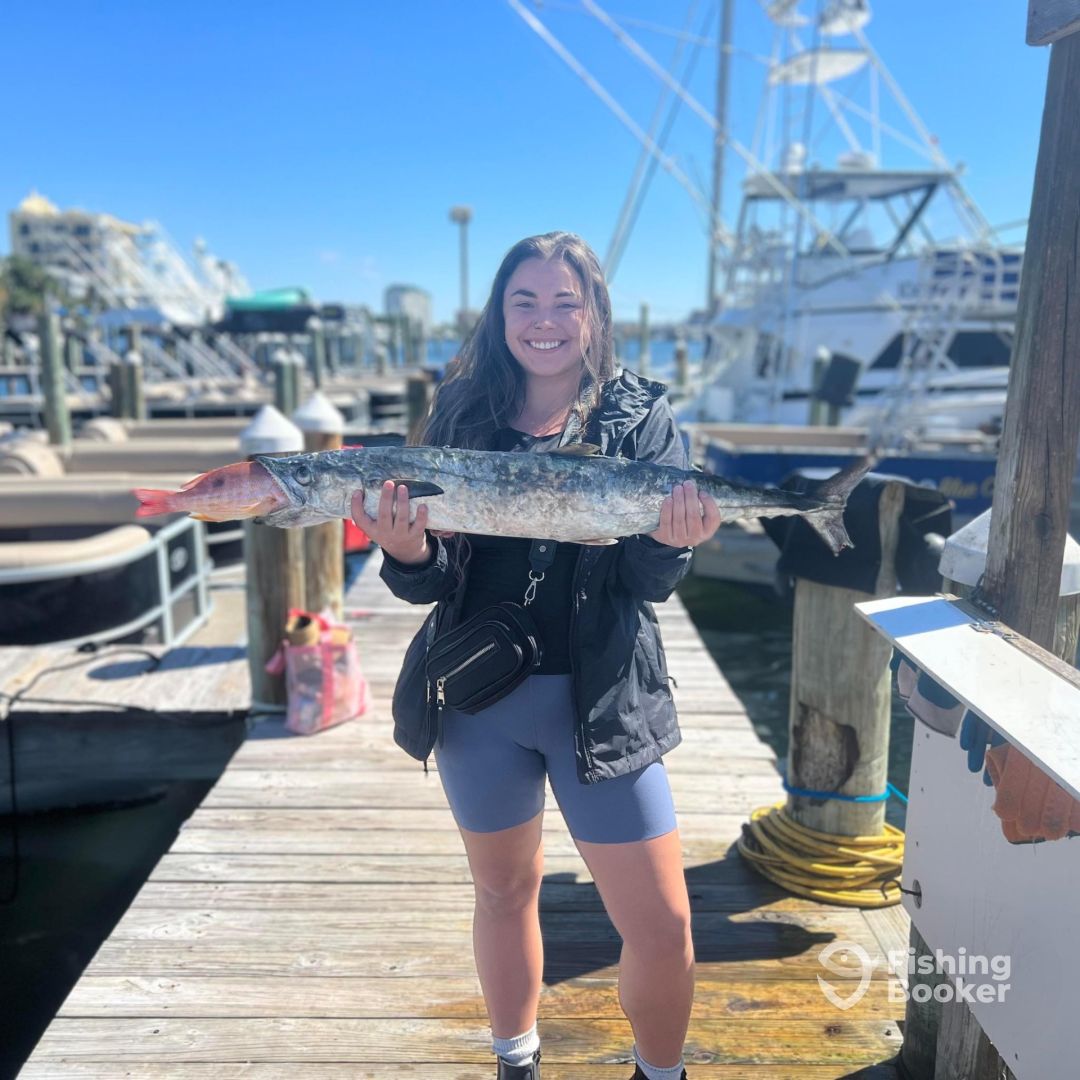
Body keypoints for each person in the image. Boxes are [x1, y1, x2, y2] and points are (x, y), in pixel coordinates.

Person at [352, 232, 722, 1080]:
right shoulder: (460, 411)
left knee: (663, 926)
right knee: (503, 892)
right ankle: (514, 1060)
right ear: (499, 313)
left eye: (565, 301)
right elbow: (433, 581)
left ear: (595, 314)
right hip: (480, 703)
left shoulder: (641, 418)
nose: (544, 320)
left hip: (603, 703)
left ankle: (661, 1072)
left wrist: (672, 541)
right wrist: (407, 552)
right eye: (524, 301)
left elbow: (647, 583)